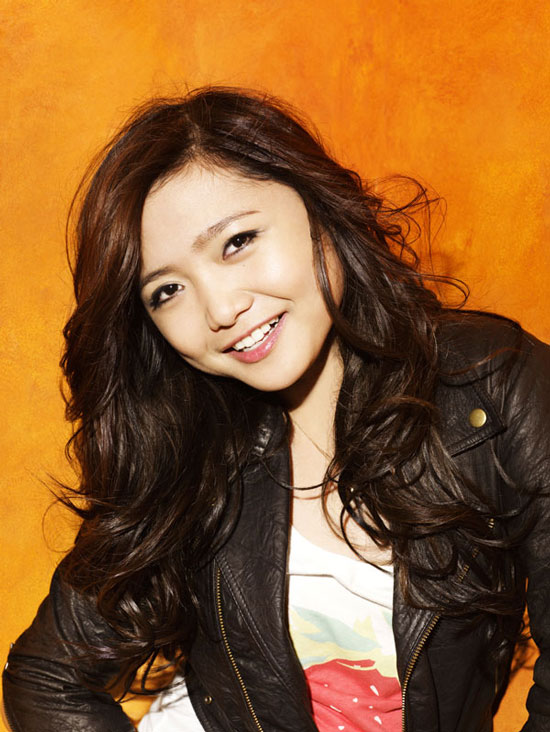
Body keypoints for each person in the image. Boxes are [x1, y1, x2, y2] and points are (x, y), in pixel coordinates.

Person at [3, 87, 550, 732]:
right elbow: (47, 677)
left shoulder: (490, 386)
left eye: (237, 241)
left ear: (319, 210)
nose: (219, 309)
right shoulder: (185, 452)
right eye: (168, 290)